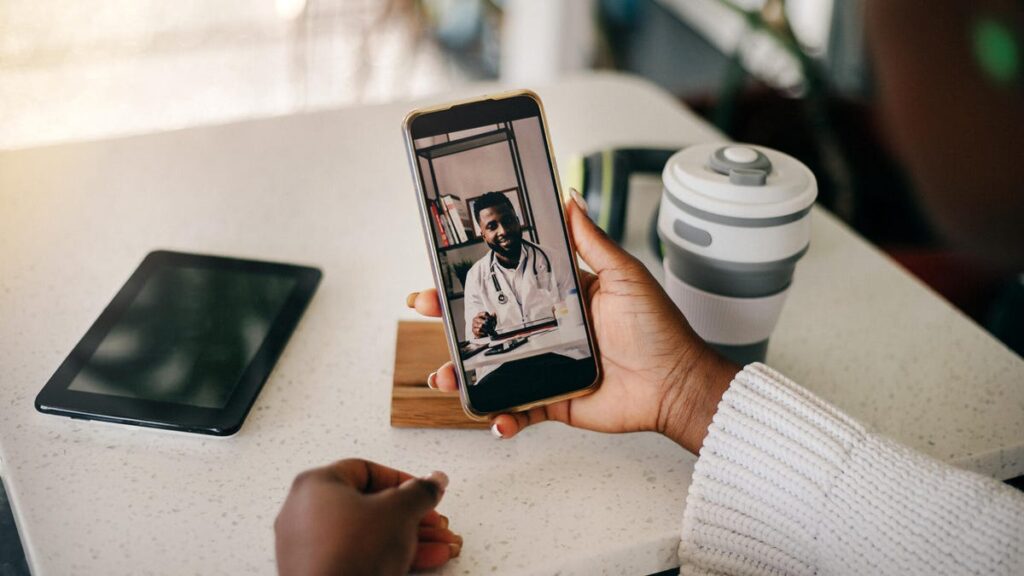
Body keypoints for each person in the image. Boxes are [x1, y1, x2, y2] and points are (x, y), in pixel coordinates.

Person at [275, 190, 1024, 575]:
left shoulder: (543, 260)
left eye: (507, 220)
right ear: (478, 229)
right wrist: (686, 392)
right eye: (490, 225)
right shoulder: (473, 276)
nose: (501, 231)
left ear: (514, 219)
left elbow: (545, 315)